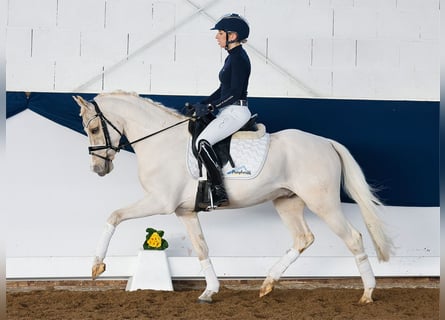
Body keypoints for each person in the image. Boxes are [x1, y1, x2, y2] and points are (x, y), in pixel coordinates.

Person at [188, 13, 252, 208]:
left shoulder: (239, 58)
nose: (217, 37)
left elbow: (234, 92)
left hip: (236, 111)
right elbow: (222, 90)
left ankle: (218, 190)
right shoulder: (232, 58)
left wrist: (211, 106)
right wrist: (202, 102)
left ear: (232, 36)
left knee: (203, 142)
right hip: (228, 110)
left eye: (220, 33)